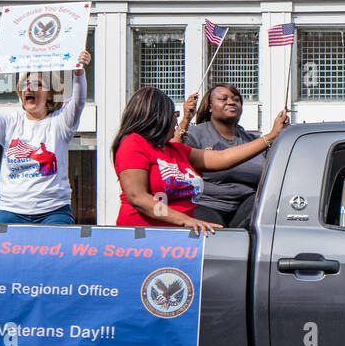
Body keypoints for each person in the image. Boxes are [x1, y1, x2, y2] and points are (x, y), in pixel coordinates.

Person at [112, 86, 287, 236]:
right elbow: (138, 197)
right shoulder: (133, 143)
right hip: (145, 239)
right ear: (160, 118)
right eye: (175, 114)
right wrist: (185, 220)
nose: (176, 119)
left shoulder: (175, 150)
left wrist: (271, 136)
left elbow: (223, 158)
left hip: (180, 239)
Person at [0, 50, 92, 224]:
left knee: (58, 250)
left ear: (50, 94)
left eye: (37, 84)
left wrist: (79, 72)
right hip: (11, 209)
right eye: (25, 85)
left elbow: (79, 102)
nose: (28, 88)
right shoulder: (11, 122)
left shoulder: (60, 122)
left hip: (53, 210)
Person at [176, 83, 267, 227]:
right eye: (223, 99)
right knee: (216, 235)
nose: (231, 102)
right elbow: (173, 152)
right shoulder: (196, 134)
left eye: (236, 99)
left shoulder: (253, 142)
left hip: (246, 208)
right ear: (210, 107)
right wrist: (186, 119)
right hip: (206, 205)